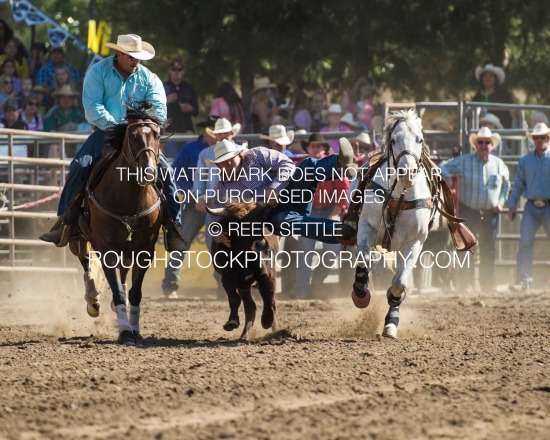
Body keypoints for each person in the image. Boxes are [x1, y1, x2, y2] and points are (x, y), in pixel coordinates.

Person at [39, 33, 186, 252]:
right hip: (106, 132)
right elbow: (93, 108)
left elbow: (159, 109)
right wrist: (119, 127)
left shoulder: (149, 78)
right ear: (118, 53)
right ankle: (65, 221)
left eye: (138, 56)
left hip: (139, 136)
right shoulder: (98, 72)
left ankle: (174, 225)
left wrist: (137, 126)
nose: (136, 60)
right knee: (80, 166)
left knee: (166, 171)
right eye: (131, 56)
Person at [205, 137, 357, 248]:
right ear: (217, 165)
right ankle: (340, 231)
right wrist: (217, 233)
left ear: (239, 155)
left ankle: (340, 164)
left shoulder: (255, 155)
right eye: (222, 163)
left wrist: (274, 189)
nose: (227, 164)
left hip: (291, 194)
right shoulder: (221, 189)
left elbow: (286, 164)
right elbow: (214, 217)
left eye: (230, 159)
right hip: (269, 218)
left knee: (307, 166)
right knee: (282, 221)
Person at [161, 117, 239, 299]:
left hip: (227, 206)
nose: (222, 137)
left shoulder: (240, 152)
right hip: (202, 204)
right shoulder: (205, 154)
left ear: (231, 134)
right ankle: (170, 284)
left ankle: (224, 285)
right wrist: (200, 197)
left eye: (224, 134)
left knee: (220, 244)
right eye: (218, 134)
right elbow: (199, 180)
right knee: (183, 238)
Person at [439, 127, 510, 292]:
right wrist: (447, 177)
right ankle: (465, 285)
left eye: (487, 142)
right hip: (469, 210)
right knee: (467, 248)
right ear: (475, 145)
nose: (484, 145)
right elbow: (442, 166)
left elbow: (506, 184)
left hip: (490, 212)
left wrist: (500, 201)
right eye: (481, 142)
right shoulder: (465, 161)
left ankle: (487, 285)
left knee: (488, 249)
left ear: (492, 145)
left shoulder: (498, 165)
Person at [294, 133, 349, 298]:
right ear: (308, 149)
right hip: (308, 211)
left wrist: (334, 214)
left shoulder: (334, 164)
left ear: (324, 149)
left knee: (332, 249)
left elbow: (343, 190)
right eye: (313, 146)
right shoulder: (301, 166)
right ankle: (301, 292)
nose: (316, 149)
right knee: (305, 252)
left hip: (329, 210)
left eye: (319, 146)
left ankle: (316, 284)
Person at [507, 122, 550, 291]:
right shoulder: (525, 161)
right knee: (525, 243)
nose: (539, 140)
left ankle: (525, 280)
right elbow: (518, 184)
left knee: (526, 243)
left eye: (542, 137)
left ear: (547, 138)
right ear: (533, 140)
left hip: (548, 206)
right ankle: (524, 280)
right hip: (531, 207)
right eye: (536, 138)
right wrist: (512, 205)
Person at [162, 58, 198, 158]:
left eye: (179, 70)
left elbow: (196, 111)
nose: (176, 72)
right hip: (169, 132)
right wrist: (166, 100)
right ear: (169, 70)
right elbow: (155, 109)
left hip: (187, 132)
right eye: (174, 69)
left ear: (183, 71)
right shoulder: (163, 87)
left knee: (188, 164)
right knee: (172, 164)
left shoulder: (189, 88)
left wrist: (190, 108)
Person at [472, 63, 513, 128]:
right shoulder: (478, 96)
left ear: (495, 79)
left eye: (490, 76)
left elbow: (508, 113)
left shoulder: (502, 95)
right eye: (485, 76)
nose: (487, 79)